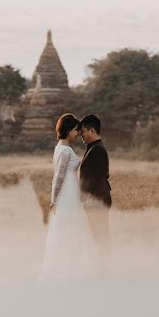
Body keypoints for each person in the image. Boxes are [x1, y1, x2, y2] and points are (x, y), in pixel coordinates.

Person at [39, 113, 97, 282]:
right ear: (67, 130)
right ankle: (70, 270)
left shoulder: (60, 148)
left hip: (70, 191)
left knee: (70, 228)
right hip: (67, 193)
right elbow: (58, 177)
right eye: (75, 130)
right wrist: (54, 200)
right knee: (70, 228)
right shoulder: (65, 151)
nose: (78, 133)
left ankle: (71, 268)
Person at [78, 114, 112, 267]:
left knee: (100, 234)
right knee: (98, 233)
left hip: (97, 199)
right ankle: (102, 264)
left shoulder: (97, 150)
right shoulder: (93, 148)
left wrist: (81, 196)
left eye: (83, 131)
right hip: (97, 197)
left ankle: (104, 266)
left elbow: (94, 177)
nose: (81, 135)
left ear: (92, 130)